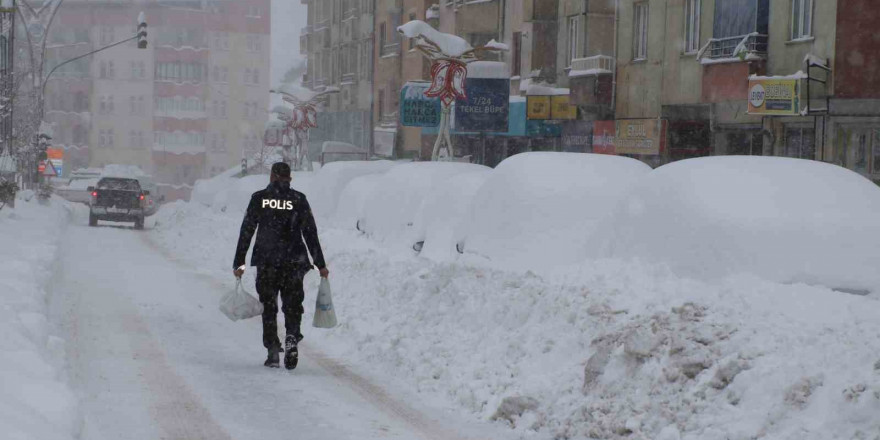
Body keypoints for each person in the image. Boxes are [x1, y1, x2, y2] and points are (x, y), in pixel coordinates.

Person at [233, 162, 329, 370]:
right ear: (289, 178)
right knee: (293, 306)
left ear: (272, 177)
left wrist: (239, 262)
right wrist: (320, 263)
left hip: (268, 262)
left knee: (269, 307)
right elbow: (310, 233)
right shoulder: (298, 200)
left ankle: (273, 351)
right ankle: (292, 336)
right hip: (294, 263)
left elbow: (247, 231)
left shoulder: (259, 198)